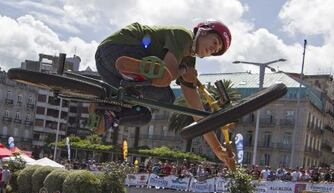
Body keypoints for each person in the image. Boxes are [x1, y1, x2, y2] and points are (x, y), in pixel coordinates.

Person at [94, 20, 234, 169]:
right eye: (215, 42)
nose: (213, 49)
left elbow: (197, 111)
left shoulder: (188, 61)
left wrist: (217, 149)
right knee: (165, 91)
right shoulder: (184, 36)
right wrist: (184, 72)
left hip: (105, 67)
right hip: (120, 47)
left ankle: (109, 113)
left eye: (216, 50)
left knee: (145, 114)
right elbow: (168, 72)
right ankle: (136, 73)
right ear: (204, 31)